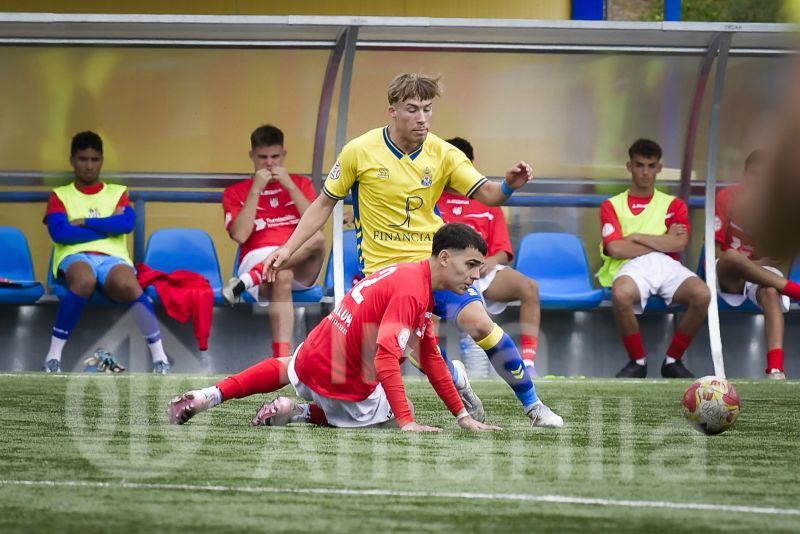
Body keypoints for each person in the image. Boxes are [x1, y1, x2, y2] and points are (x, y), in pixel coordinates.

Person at [224, 73, 562, 428]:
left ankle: (535, 407)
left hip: (437, 269)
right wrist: (288, 248)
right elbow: (323, 204)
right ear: (393, 111)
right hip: (385, 279)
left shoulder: (443, 153)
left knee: (482, 326)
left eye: (427, 109)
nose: (422, 118)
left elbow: (489, 194)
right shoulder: (359, 151)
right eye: (412, 109)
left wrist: (509, 185)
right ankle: (453, 380)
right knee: (406, 354)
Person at [168, 224, 557, 430]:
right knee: (382, 416)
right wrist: (407, 422)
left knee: (287, 365)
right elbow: (387, 357)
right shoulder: (414, 292)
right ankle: (300, 413)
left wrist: (462, 416)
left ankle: (211, 394)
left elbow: (430, 357)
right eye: (470, 265)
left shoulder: (409, 275)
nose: (475, 277)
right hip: (342, 379)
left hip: (314, 352)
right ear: (443, 258)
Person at [42, 131, 170, 374]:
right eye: (83, 159)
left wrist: (85, 222)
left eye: (95, 159)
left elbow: (126, 224)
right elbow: (60, 233)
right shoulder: (60, 195)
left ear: (101, 160)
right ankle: (53, 357)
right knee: (85, 279)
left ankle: (160, 359)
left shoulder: (117, 192)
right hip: (75, 256)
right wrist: (107, 226)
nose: (89, 166)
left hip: (112, 259)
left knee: (130, 285)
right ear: (72, 160)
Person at [598, 138, 710, 379]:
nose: (645, 172)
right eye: (639, 165)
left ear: (659, 167)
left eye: (651, 166)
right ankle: (638, 362)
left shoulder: (674, 204)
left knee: (702, 294)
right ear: (629, 166)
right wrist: (662, 240)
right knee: (621, 294)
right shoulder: (611, 205)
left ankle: (673, 361)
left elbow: (679, 243)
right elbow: (616, 249)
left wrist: (636, 237)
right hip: (630, 267)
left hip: (667, 265)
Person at [437, 137, 542, 377]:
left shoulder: (487, 199)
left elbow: (504, 251)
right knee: (427, 305)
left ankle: (528, 363)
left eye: (462, 166)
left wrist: (491, 261)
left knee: (530, 288)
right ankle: (436, 366)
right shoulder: (430, 198)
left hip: (482, 272)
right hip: (444, 274)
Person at [221, 125, 326, 358]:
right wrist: (255, 190)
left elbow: (316, 225)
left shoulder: (300, 184)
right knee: (282, 275)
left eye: (275, 157)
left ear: (284, 154)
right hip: (259, 258)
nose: (269, 163)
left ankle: (248, 280)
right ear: (252, 156)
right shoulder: (235, 192)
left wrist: (289, 185)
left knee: (318, 238)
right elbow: (240, 235)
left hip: (299, 260)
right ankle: (282, 360)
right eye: (263, 157)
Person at [715, 150, 800, 380]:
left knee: (771, 292)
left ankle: (775, 369)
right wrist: (755, 262)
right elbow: (716, 251)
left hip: (762, 274)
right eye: (754, 175)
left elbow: (780, 255)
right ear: (745, 174)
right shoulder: (726, 197)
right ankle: (794, 290)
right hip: (729, 272)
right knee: (732, 256)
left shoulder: (779, 206)